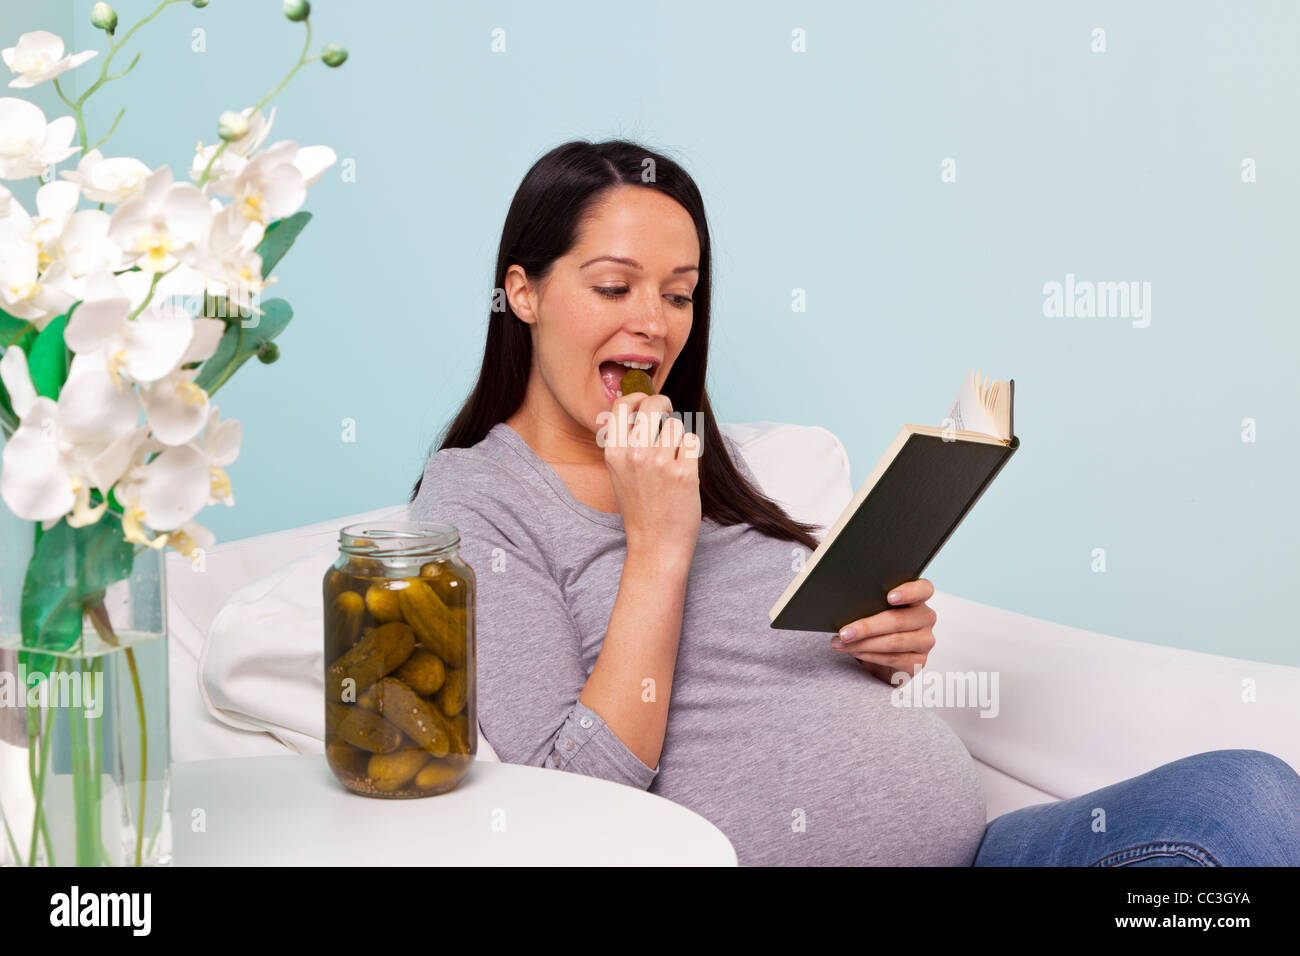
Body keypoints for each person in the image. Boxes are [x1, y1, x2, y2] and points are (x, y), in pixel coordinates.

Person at [409, 139, 1300, 866]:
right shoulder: (478, 498)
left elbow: (770, 680)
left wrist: (884, 643)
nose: (655, 321)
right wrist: (657, 543)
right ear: (521, 291)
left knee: (1248, 795)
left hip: (980, 852)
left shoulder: (706, 461)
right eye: (614, 286)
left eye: (679, 293)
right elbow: (568, 795)